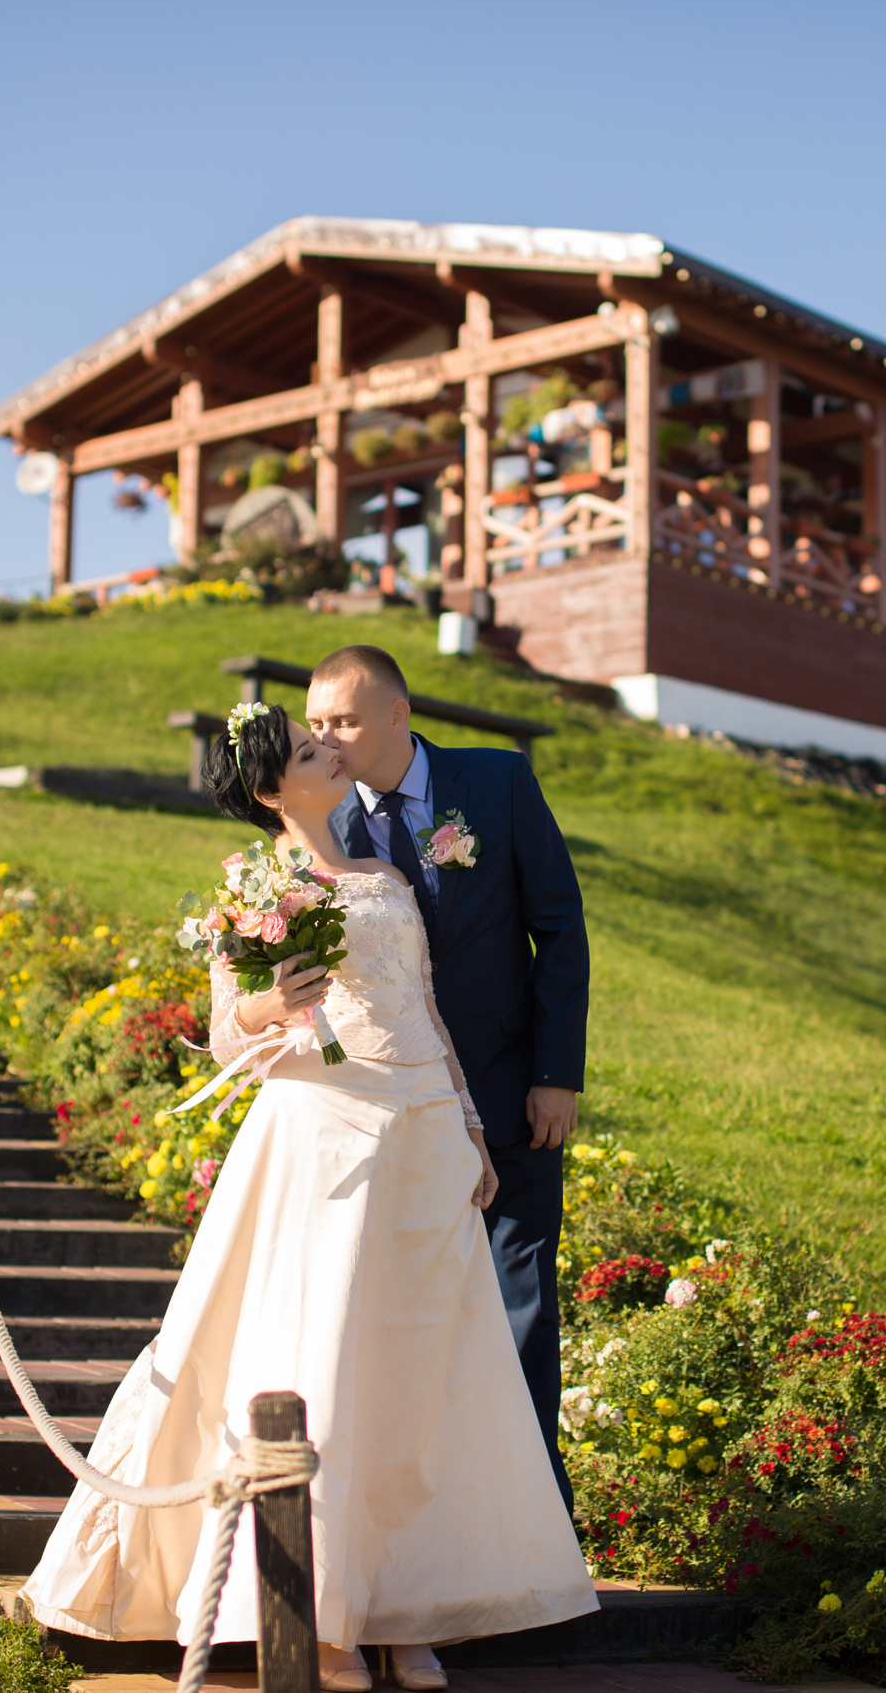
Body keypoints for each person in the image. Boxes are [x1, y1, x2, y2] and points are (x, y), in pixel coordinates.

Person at [21, 703, 597, 1693]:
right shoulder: (258, 888)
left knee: (422, 1363)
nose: (328, 749)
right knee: (327, 1352)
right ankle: (324, 1613)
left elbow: (424, 1008)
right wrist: (270, 999)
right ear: (270, 790)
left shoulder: (384, 875)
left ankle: (407, 1605)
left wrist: (468, 1126)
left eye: (323, 737)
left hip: (423, 1130)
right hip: (327, 1129)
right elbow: (229, 1027)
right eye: (304, 748)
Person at [304, 645, 588, 1507]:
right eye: (316, 724)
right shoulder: (321, 827)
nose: (328, 739)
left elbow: (559, 927)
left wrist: (556, 1073)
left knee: (520, 1304)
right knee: (408, 1316)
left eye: (345, 720)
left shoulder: (498, 783)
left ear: (398, 714)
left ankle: (535, 1515)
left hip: (512, 1092)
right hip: (393, 1112)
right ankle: (424, 1515)